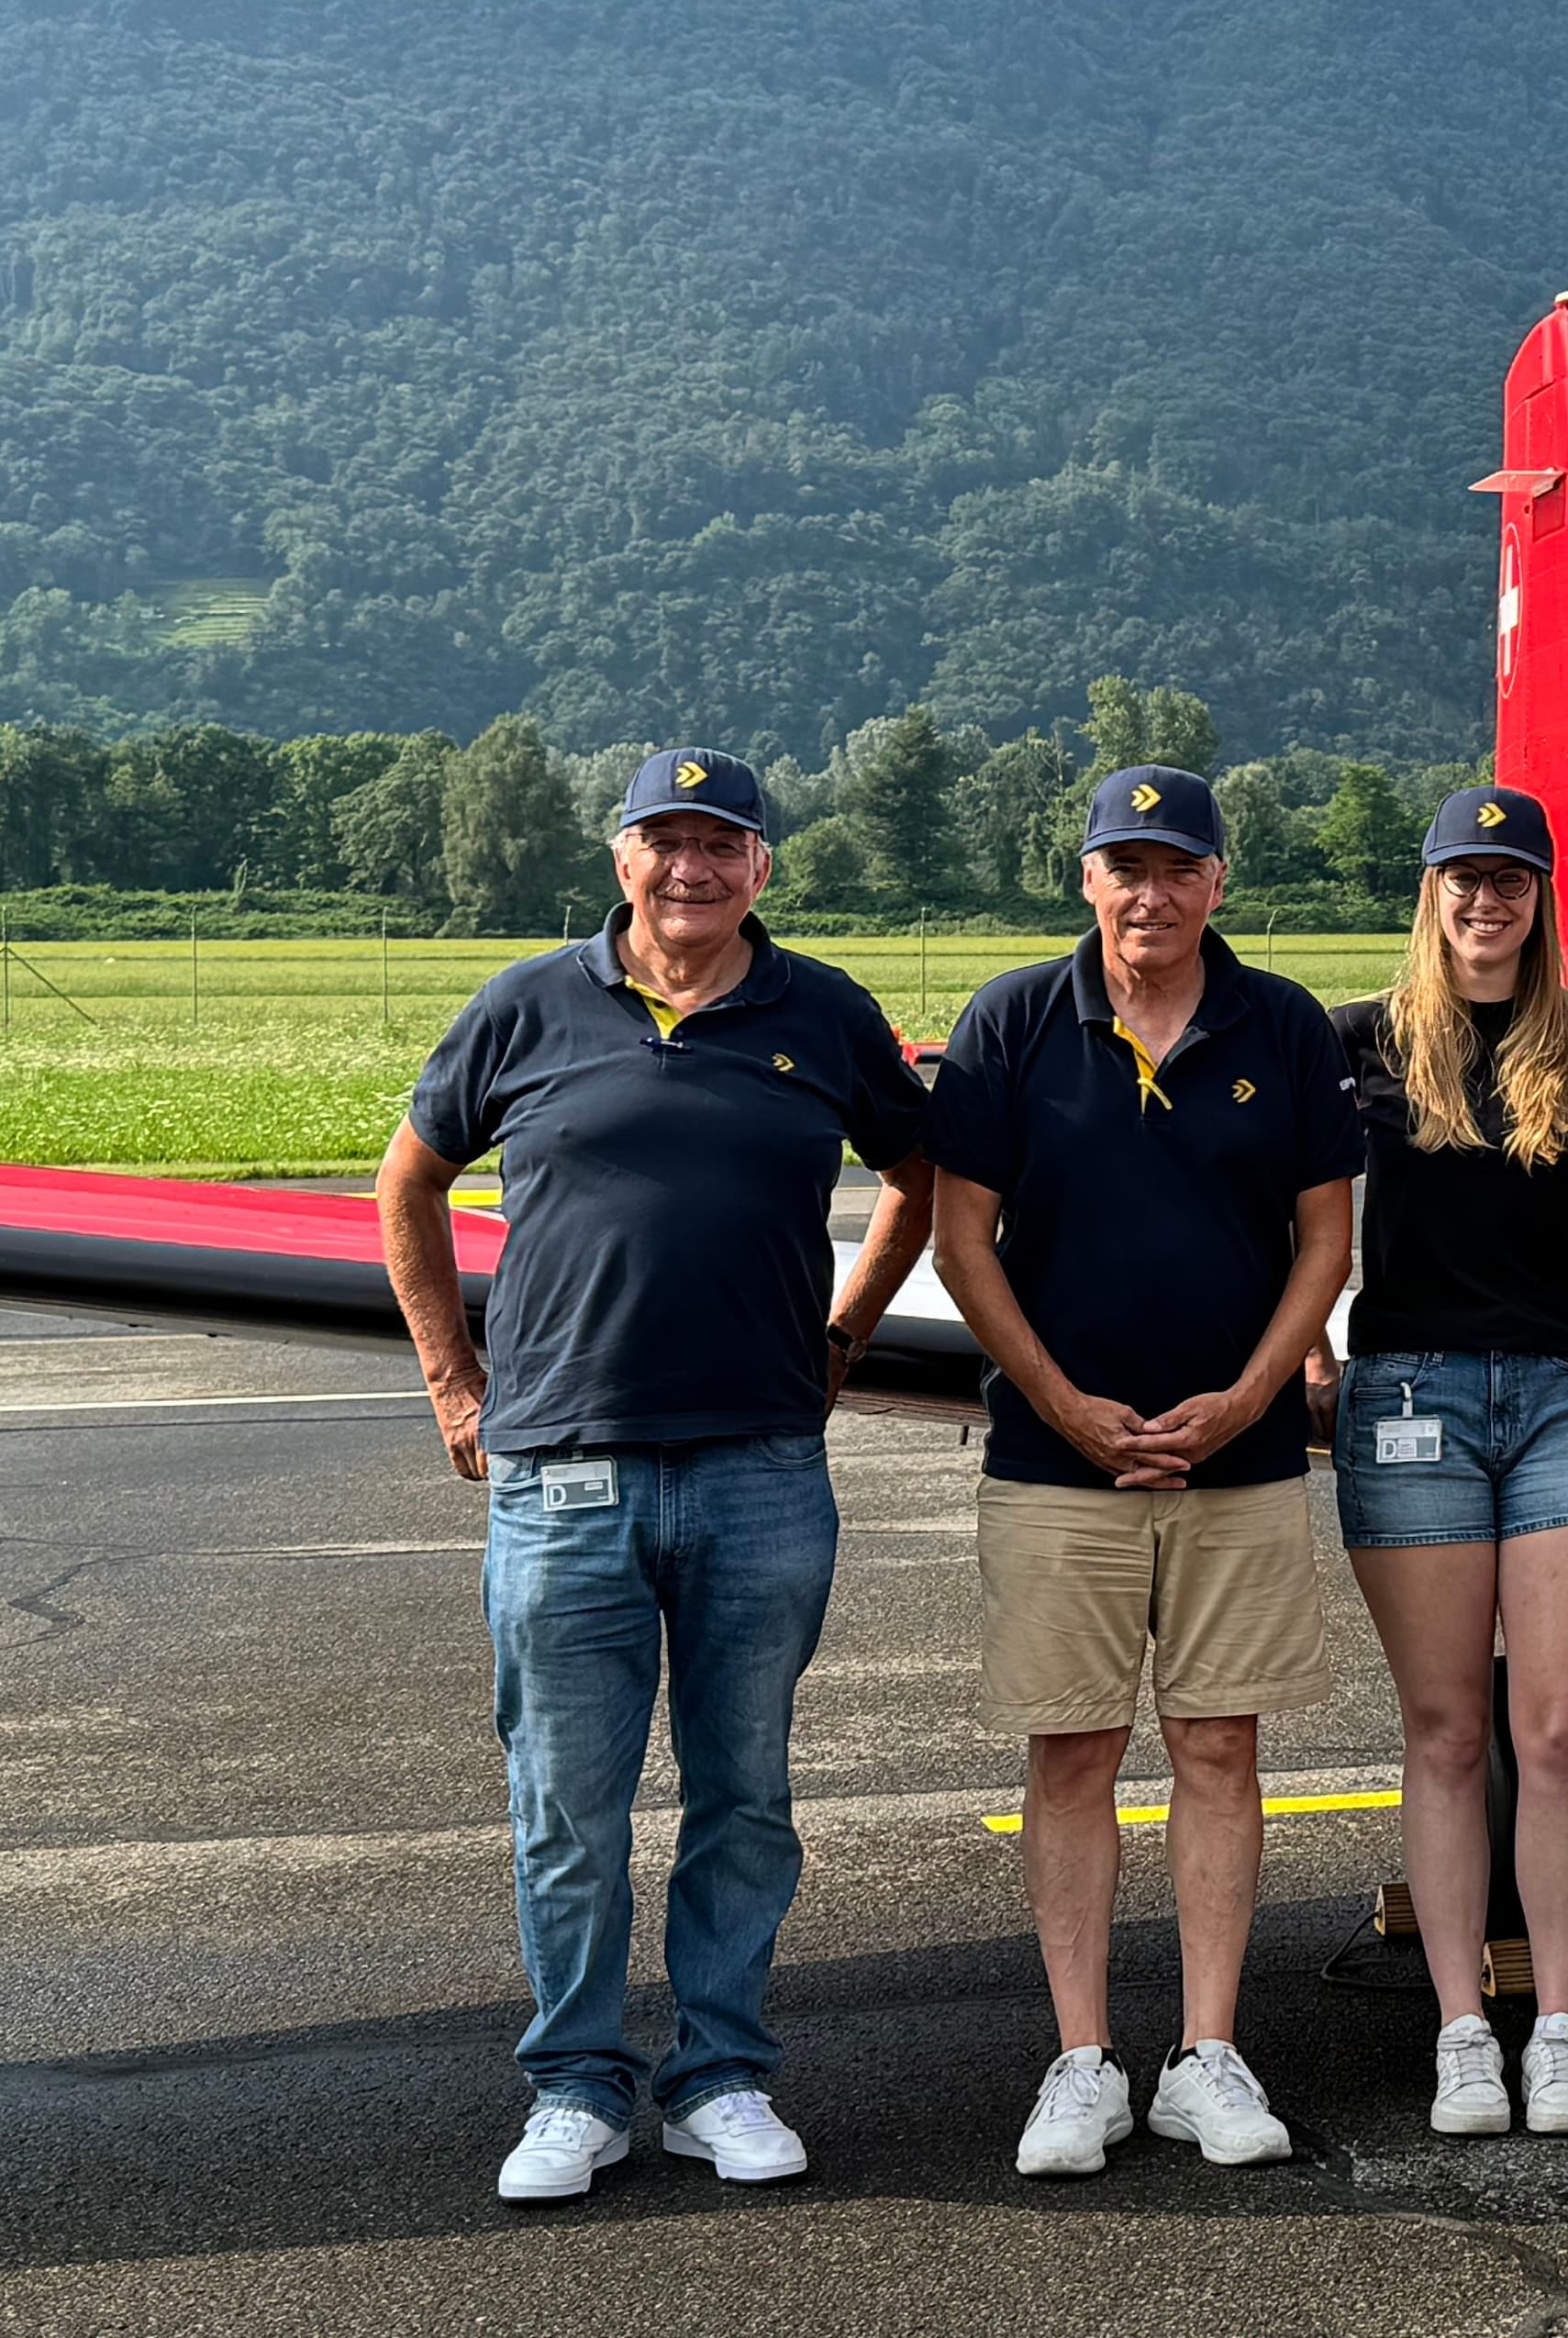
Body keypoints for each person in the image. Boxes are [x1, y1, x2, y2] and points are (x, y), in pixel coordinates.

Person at [379, 746, 933, 2205]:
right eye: (661, 842)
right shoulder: (528, 1003)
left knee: (743, 1793)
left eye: (720, 845)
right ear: (618, 856)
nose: (689, 870)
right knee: (568, 1800)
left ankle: (720, 2076)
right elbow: (409, 1179)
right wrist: (454, 1378)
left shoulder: (824, 1011)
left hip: (759, 1466)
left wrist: (852, 1325)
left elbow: (921, 1173)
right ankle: (573, 2085)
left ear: (763, 866)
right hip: (561, 1465)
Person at [925, 765, 1363, 2180]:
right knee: (1071, 1749)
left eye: (1179, 867)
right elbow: (963, 1240)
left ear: (1218, 883)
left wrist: (1249, 1399)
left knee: (1222, 1745)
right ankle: (1080, 2063)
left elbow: (1323, 1242)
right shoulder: (1010, 1020)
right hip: (1057, 1462)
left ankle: (1205, 2055)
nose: (1152, 892)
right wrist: (1062, 1400)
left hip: (1234, 1464)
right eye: (1127, 865)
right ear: (1088, 878)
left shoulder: (1280, 1024)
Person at [1328, 785, 1568, 2140]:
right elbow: (1317, 1223)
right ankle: (1463, 2027)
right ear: (1431, 889)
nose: (1485, 898)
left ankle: (1557, 2025)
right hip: (1407, 1395)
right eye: (1463, 874)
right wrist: (1310, 1354)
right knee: (1449, 1732)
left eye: (1509, 877)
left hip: (1562, 1397)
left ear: (1541, 896)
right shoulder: (1363, 1041)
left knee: (1557, 1731)